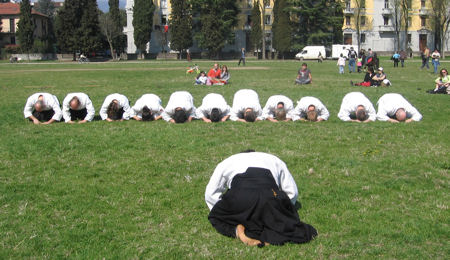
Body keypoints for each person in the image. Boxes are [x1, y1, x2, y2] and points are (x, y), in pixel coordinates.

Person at [205, 151, 318, 246]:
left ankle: (237, 230)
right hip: (269, 194)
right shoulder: (274, 159)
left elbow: (211, 194)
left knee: (215, 217)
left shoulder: (228, 161)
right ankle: (267, 230)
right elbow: (292, 192)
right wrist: (283, 208)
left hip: (239, 194)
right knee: (284, 222)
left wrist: (226, 208)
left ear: (242, 153)